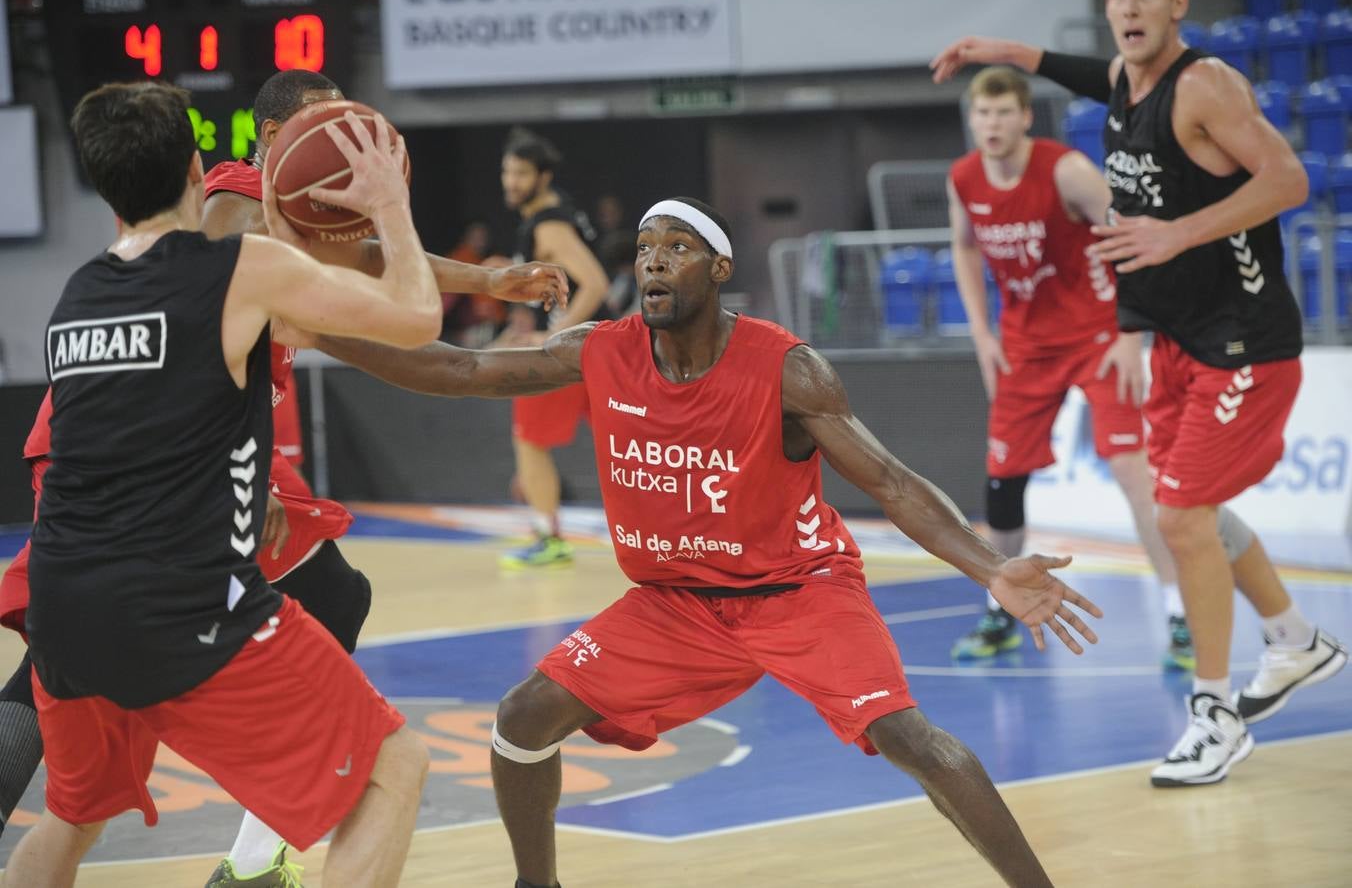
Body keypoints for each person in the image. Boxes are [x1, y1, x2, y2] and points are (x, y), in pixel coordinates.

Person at [318, 196, 1104, 888]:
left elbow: (893, 483)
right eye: (645, 250)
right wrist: (312, 326)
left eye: (676, 247)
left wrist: (991, 567)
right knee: (522, 718)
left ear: (720, 267)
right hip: (675, 607)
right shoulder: (602, 348)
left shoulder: (787, 369)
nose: (653, 260)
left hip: (799, 590)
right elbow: (458, 369)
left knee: (910, 737)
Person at [0, 69, 568, 888]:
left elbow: (371, 285)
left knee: (72, 812)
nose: (340, 147)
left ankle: (256, 854)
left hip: (80, 554)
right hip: (164, 572)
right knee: (392, 763)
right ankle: (258, 861)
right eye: (322, 131)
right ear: (219, 163)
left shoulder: (81, 292)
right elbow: (401, 309)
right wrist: (387, 198)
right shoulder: (237, 242)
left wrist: (481, 279)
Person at [930, 0, 1347, 787]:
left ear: (1177, 4)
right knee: (1195, 511)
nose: (1128, 5)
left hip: (1245, 343)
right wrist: (1006, 52)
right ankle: (1295, 641)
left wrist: (1175, 233)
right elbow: (1081, 70)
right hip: (1180, 340)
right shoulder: (1125, 77)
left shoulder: (1205, 86)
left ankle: (1214, 713)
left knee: (1180, 516)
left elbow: (1291, 180)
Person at [946, 65, 1189, 668]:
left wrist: (1133, 331)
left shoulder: (1066, 171)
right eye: (983, 114)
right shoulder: (963, 178)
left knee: (1134, 473)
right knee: (1002, 482)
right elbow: (964, 247)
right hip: (1025, 346)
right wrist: (982, 333)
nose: (993, 124)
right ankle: (1001, 610)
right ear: (973, 121)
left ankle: (1181, 614)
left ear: (1025, 117)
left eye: (1004, 113)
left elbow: (1131, 238)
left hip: (1098, 335)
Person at [494, 127, 613, 570]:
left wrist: (552, 335)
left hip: (573, 353)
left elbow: (595, 283)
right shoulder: (551, 217)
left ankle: (548, 537)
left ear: (542, 177)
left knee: (529, 440)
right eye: (506, 172)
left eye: (521, 173)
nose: (511, 182)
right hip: (600, 349)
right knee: (627, 442)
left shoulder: (549, 225)